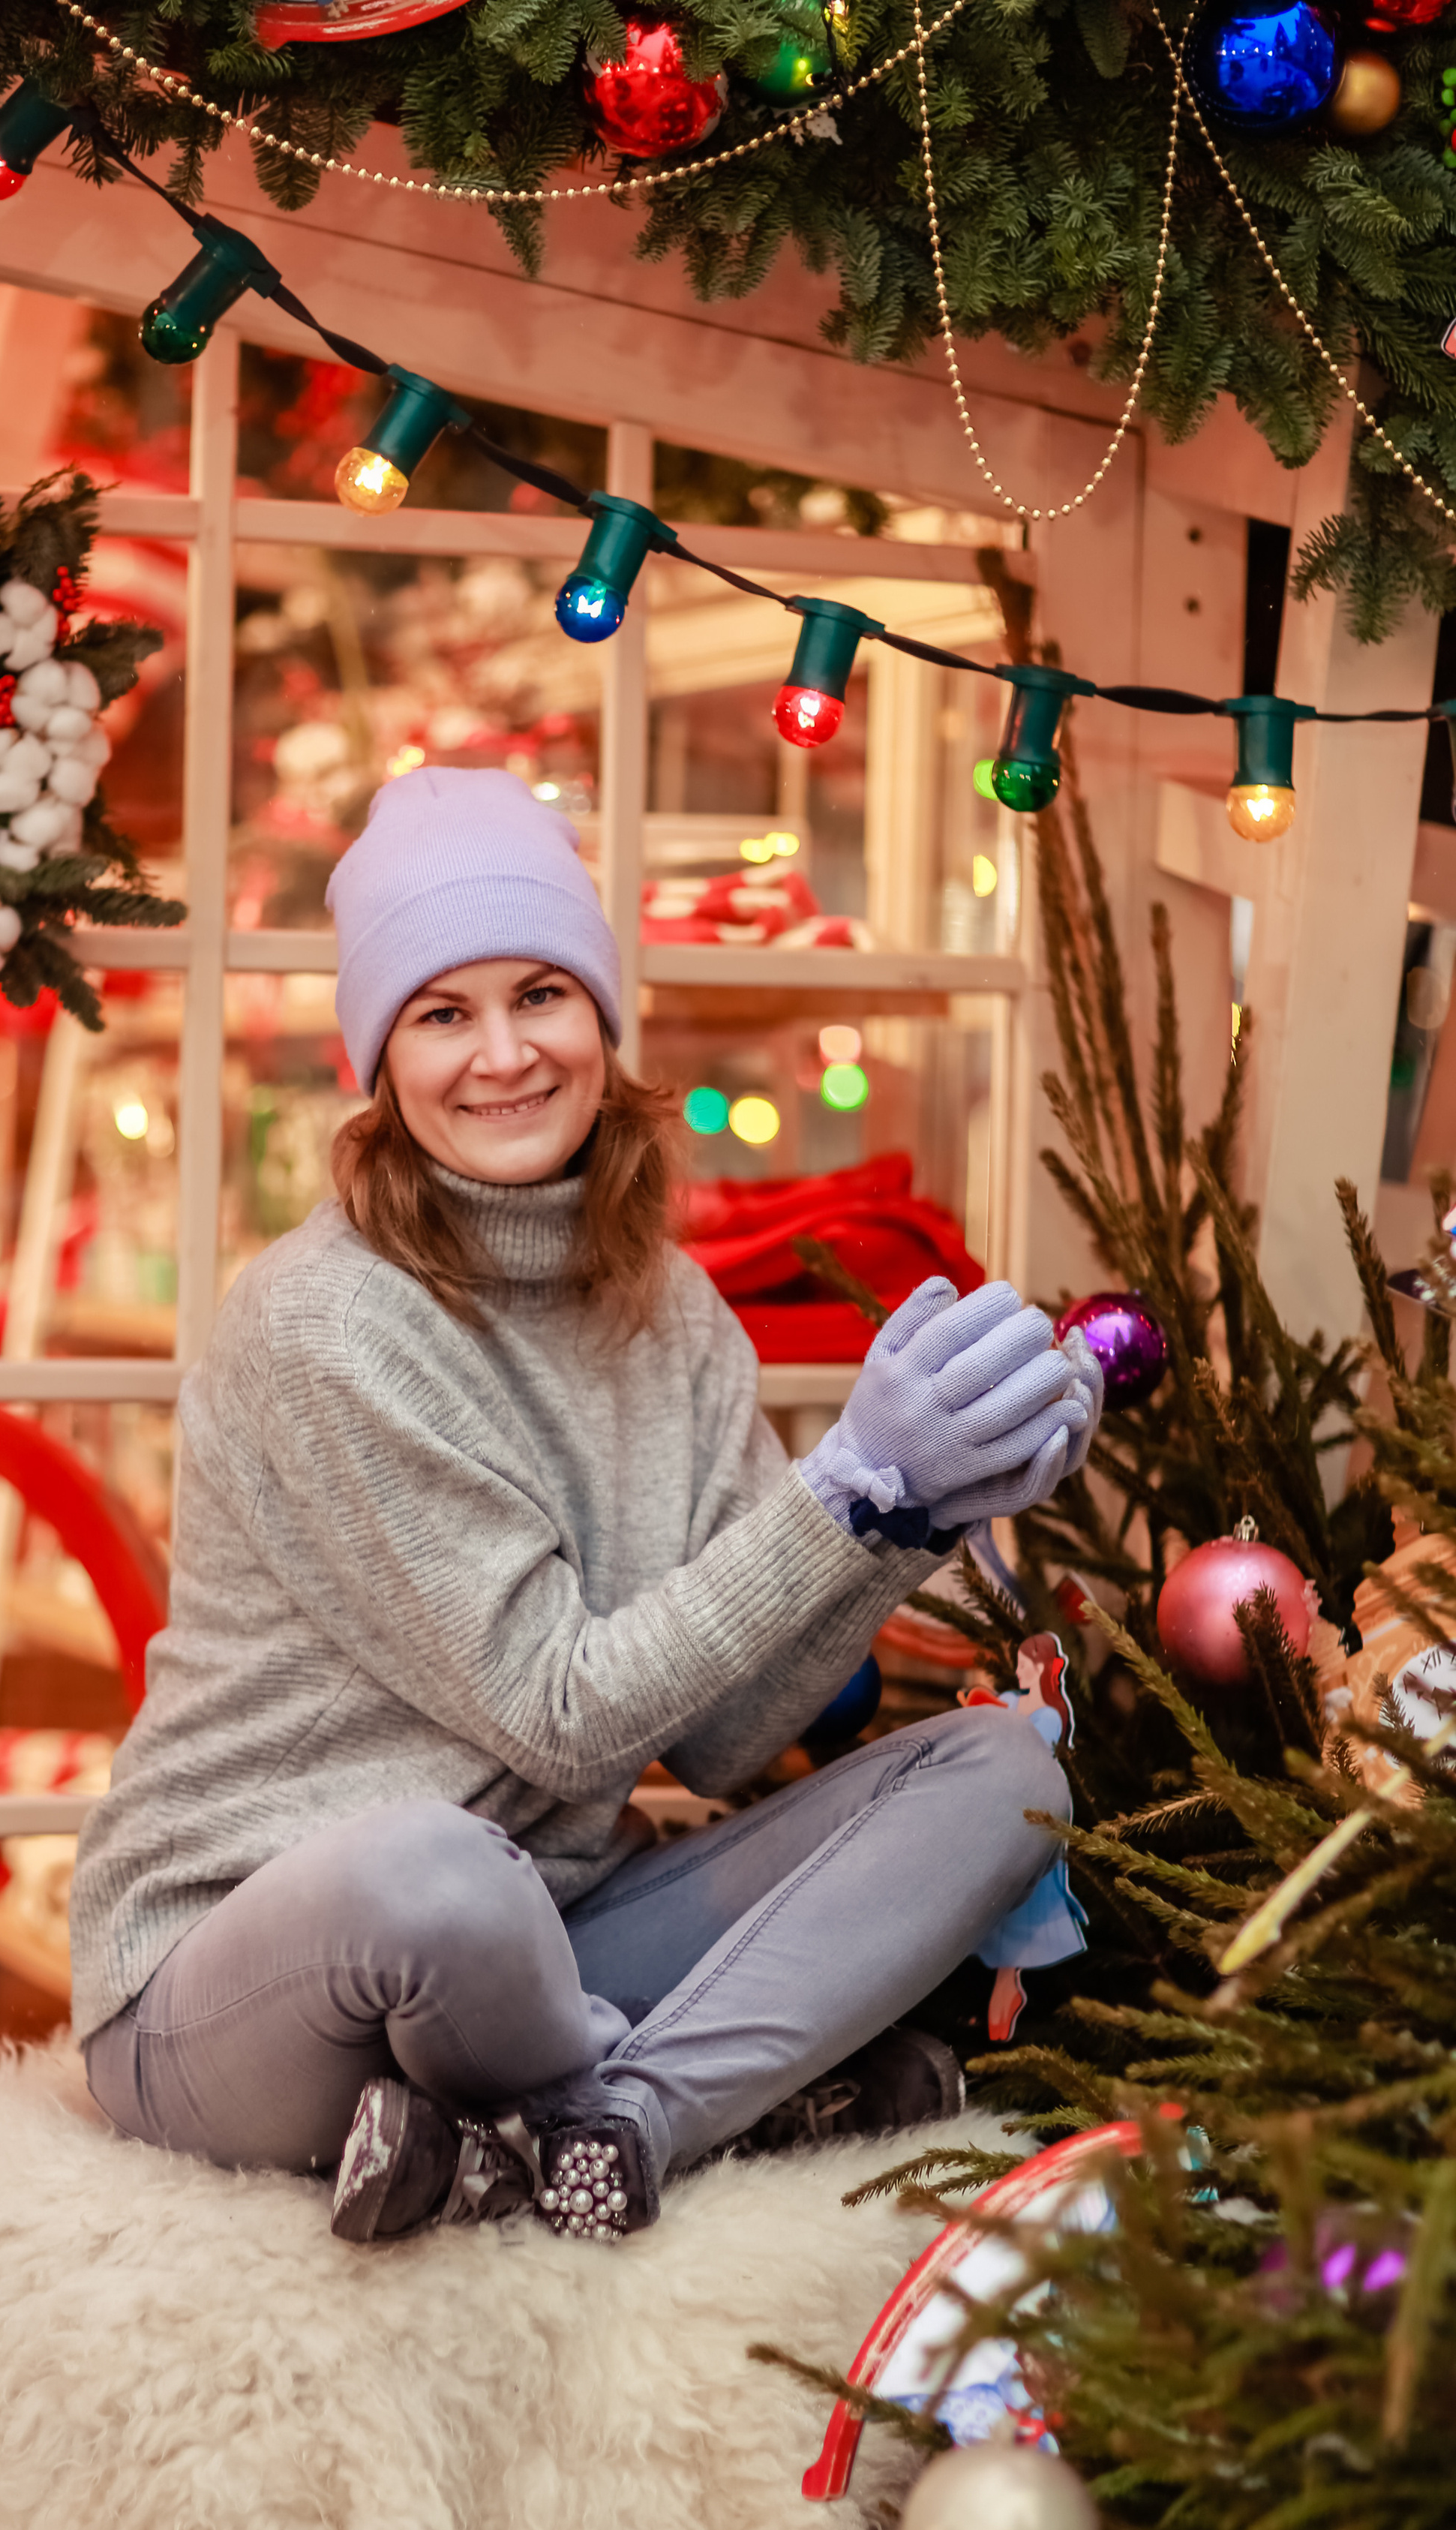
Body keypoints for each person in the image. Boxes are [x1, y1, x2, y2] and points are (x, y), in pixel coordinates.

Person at [71, 768, 1100, 2246]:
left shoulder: (669, 1312)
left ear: (598, 1019)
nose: (502, 1055)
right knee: (434, 1869)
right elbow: (558, 1716)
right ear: (380, 1058)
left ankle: (615, 2123)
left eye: (539, 993)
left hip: (540, 1941)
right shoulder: (326, 1325)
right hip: (236, 1976)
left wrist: (910, 1522)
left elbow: (725, 1735)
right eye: (441, 1013)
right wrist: (845, 1487)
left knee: (1003, 1773)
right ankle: (745, 2092)